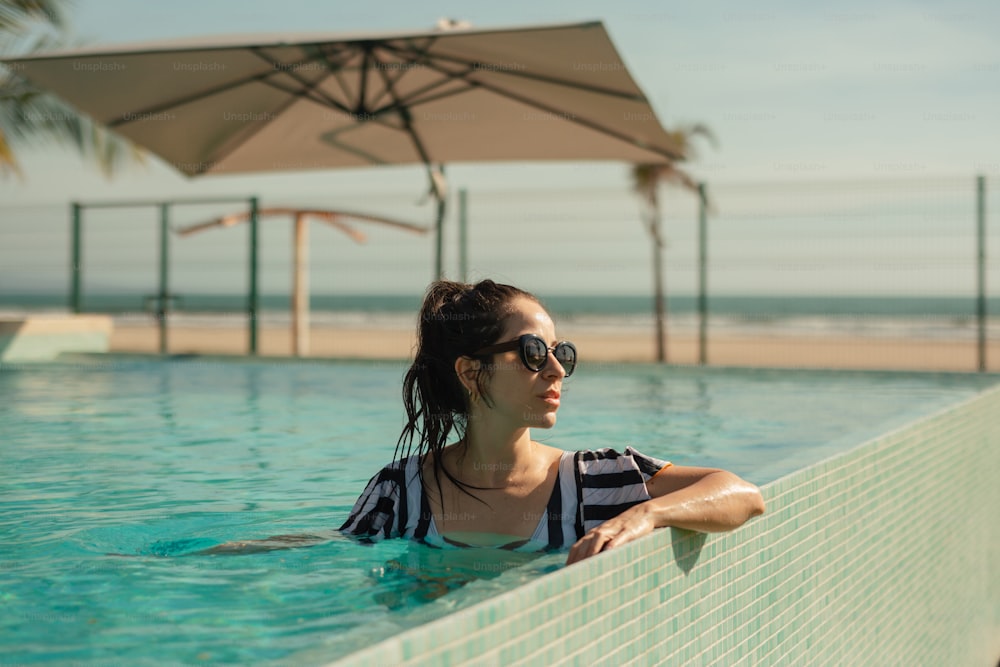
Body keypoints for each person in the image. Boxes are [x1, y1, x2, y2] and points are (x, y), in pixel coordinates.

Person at [339, 279, 765, 565]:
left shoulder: (595, 484)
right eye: (533, 352)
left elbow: (742, 494)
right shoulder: (401, 491)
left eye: (561, 353)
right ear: (470, 372)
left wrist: (644, 516)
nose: (557, 370)